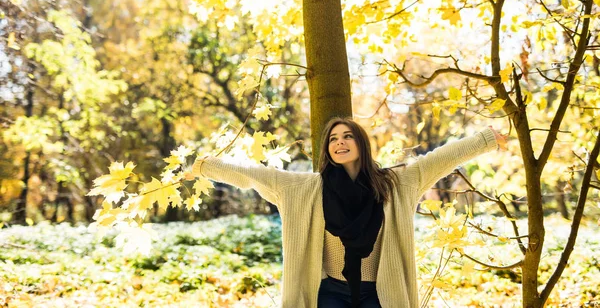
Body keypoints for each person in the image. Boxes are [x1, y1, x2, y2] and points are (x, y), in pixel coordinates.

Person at [191, 117, 507, 308]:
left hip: (377, 291)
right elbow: (253, 173)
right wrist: (205, 166)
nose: (339, 142)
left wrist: (486, 139)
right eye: (332, 139)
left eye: (347, 136)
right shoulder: (305, 188)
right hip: (331, 292)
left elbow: (439, 159)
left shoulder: (396, 184)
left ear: (361, 143)